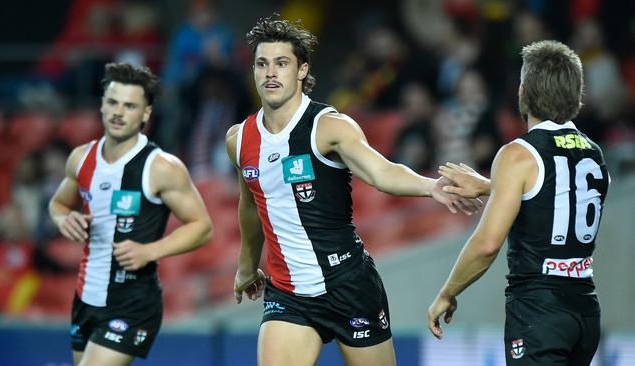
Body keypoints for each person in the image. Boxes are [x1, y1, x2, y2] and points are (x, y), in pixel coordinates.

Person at [224, 15, 481, 366]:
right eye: (262, 64)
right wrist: (245, 267)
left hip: (348, 285)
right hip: (287, 294)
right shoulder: (239, 140)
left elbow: (380, 172)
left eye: (281, 63)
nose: (270, 72)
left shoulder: (328, 126)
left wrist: (431, 185)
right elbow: (249, 205)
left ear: (301, 71)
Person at [427, 40, 610, 365]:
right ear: (577, 94)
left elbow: (487, 244)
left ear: (523, 92)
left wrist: (448, 291)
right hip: (585, 309)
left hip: (540, 309)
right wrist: (489, 187)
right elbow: (554, 195)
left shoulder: (518, 154)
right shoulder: (595, 155)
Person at [48, 62, 214, 366]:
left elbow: (202, 226)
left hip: (133, 302)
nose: (118, 112)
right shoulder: (81, 159)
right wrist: (63, 219)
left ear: (146, 113)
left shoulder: (162, 168)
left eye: (129, 105)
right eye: (112, 102)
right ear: (101, 105)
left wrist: (151, 250)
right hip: (86, 297)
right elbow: (58, 205)